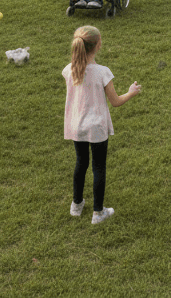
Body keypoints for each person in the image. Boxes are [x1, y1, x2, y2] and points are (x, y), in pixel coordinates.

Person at [64, 25, 142, 224]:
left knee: (80, 163)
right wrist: (132, 92)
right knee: (99, 167)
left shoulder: (69, 70)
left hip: (77, 126)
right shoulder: (102, 72)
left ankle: (76, 205)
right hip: (97, 128)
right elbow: (115, 102)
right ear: (98, 46)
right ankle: (98, 213)